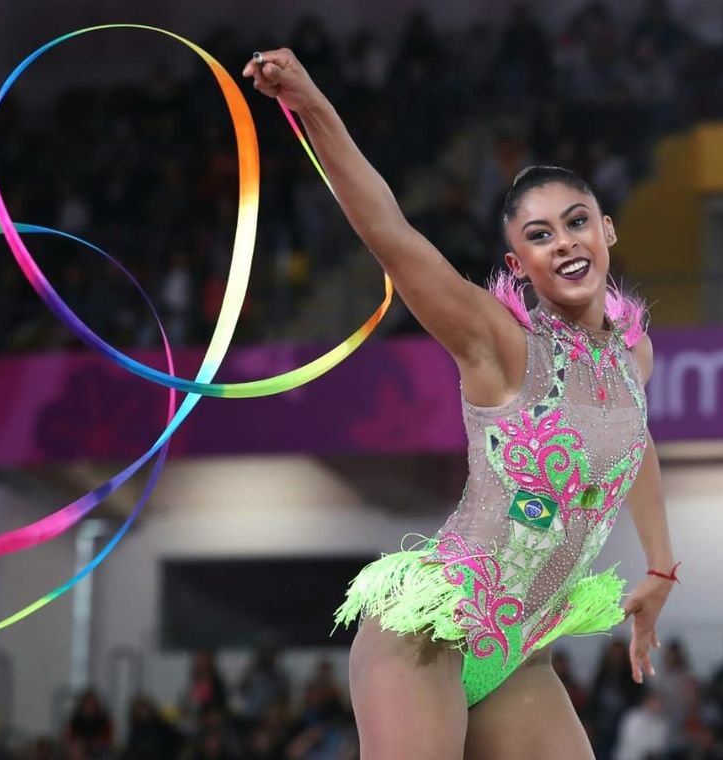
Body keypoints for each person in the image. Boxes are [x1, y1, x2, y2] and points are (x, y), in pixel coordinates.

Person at [244, 49, 677, 759]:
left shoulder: (635, 360)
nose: (563, 242)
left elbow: (637, 444)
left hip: (521, 652)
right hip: (428, 634)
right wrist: (311, 104)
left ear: (608, 231)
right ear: (518, 266)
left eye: (576, 222)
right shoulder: (498, 343)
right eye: (539, 236)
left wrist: (661, 567)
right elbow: (390, 233)